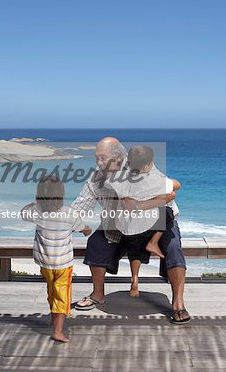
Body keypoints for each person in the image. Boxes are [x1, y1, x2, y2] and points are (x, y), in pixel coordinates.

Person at [72, 137, 191, 324]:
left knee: (174, 246)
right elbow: (81, 205)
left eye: (103, 158)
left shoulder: (139, 164)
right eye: (97, 158)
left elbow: (170, 189)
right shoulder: (97, 177)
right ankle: (98, 295)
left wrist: (140, 205)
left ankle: (178, 303)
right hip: (119, 225)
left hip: (157, 220)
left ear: (120, 156)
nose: (99, 163)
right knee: (96, 242)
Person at [21, 175, 92, 342]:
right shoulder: (69, 213)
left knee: (52, 290)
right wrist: (87, 230)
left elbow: (23, 213)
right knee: (62, 295)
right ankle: (58, 331)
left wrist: (35, 202)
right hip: (63, 264)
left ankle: (54, 317)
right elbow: (82, 228)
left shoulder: (37, 212)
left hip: (45, 263)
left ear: (39, 195)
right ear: (61, 194)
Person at [104, 145, 181, 298]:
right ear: (146, 166)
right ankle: (154, 242)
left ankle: (135, 281)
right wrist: (157, 199)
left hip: (129, 228)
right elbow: (175, 187)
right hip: (149, 224)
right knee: (168, 213)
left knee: (135, 250)